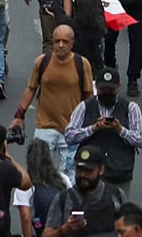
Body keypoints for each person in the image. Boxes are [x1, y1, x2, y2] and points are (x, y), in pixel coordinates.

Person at [10, 25, 97, 181]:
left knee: (71, 178)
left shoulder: (82, 64)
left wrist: (88, 127)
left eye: (65, 41)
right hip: (45, 127)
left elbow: (88, 97)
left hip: (71, 130)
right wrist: (19, 116)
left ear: (72, 43)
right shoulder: (42, 62)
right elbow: (31, 89)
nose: (60, 45)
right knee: (39, 175)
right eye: (57, 41)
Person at [65, 69, 142, 195]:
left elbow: (141, 139)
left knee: (119, 211)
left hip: (120, 173)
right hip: (89, 174)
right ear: (96, 87)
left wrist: (120, 130)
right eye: (103, 90)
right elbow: (69, 137)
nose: (107, 93)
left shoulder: (131, 108)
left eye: (111, 90)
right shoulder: (84, 107)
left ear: (119, 88)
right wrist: (93, 128)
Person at [46, 144, 124, 237]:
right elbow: (46, 234)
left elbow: (129, 229)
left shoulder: (116, 195)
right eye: (79, 169)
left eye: (88, 170)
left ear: (101, 170)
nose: (82, 175)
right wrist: (64, 229)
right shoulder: (63, 199)